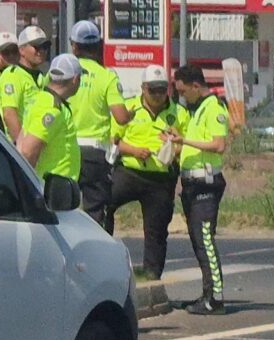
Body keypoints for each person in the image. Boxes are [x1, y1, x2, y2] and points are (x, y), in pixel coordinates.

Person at [109, 66, 186, 278]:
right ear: (143, 88)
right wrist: (133, 150)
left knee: (157, 229)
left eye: (162, 90)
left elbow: (187, 144)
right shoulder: (129, 108)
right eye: (153, 90)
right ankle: (105, 259)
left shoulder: (178, 113)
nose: (158, 95)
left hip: (160, 178)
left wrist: (174, 146)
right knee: (105, 204)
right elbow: (113, 139)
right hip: (130, 172)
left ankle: (152, 273)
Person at [173, 64, 232, 314]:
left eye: (185, 91)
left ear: (196, 86)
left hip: (206, 183)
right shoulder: (196, 110)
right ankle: (207, 293)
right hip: (191, 183)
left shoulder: (214, 108)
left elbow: (218, 145)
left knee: (205, 239)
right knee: (198, 240)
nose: (183, 97)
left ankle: (215, 298)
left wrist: (184, 140)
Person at [63, 20, 127, 231]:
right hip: (95, 153)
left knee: (62, 207)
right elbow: (120, 117)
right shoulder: (107, 76)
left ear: (74, 46)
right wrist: (131, 114)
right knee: (96, 211)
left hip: (66, 149)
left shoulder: (64, 74)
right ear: (99, 45)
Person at [17, 55, 85, 211]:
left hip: (53, 192)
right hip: (53, 196)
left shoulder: (40, 99)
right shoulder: (52, 110)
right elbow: (27, 151)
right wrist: (31, 191)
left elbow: (21, 138)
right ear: (75, 79)